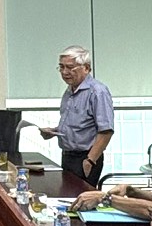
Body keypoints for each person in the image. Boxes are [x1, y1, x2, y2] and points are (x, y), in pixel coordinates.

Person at [40, 45, 114, 184]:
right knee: (67, 195)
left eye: (70, 67)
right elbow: (78, 124)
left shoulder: (98, 92)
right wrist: (54, 131)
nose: (64, 72)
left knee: (82, 196)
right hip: (68, 156)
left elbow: (106, 131)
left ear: (86, 68)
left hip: (86, 158)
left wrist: (90, 160)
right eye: (61, 67)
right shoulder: (70, 91)